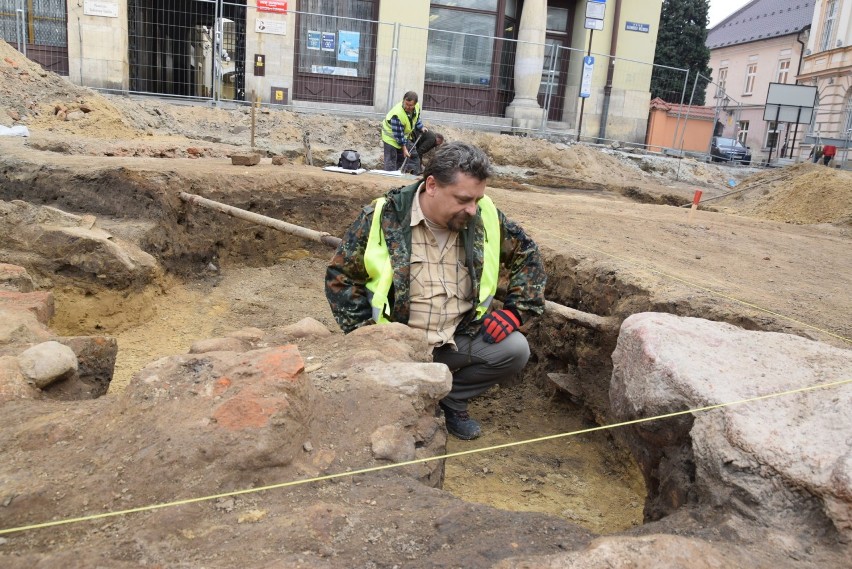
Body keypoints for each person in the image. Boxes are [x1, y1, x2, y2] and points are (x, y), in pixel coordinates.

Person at [326, 142, 547, 440]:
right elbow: (340, 278)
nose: (473, 209)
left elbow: (527, 254)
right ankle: (410, 395)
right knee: (386, 413)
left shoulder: (484, 217)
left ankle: (452, 398)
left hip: (456, 340)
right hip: (397, 349)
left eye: (478, 199)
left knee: (514, 350)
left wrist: (516, 310)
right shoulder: (383, 218)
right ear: (431, 185)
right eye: (464, 199)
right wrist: (367, 337)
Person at [381, 91, 426, 172]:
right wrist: (404, 149)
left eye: (410, 105)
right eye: (406, 104)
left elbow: (416, 117)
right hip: (390, 138)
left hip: (403, 137)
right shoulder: (397, 114)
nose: (407, 107)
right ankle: (390, 179)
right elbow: (399, 135)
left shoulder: (416, 107)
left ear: (415, 104)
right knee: (391, 162)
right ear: (403, 100)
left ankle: (400, 178)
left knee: (402, 160)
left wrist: (420, 127)